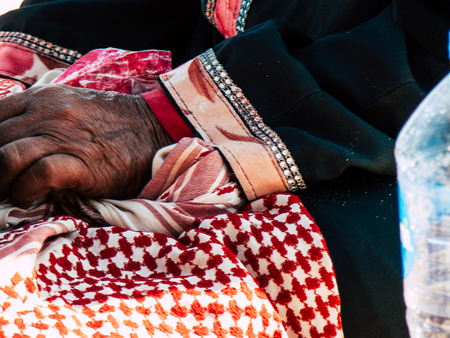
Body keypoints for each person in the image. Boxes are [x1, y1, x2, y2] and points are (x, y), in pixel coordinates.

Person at [0, 0, 449, 336]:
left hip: (407, 159)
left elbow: (430, 48)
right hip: (224, 63)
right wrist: (23, 72)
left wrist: (166, 119)